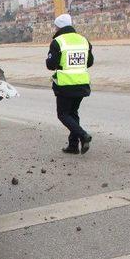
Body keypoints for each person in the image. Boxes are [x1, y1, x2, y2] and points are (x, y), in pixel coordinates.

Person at [46, 14, 94, 154]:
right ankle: (73, 146)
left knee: (63, 114)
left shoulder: (58, 42)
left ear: (58, 27)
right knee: (73, 113)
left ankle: (83, 135)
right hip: (82, 83)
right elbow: (90, 62)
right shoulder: (83, 40)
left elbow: (51, 64)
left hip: (65, 84)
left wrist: (48, 61)